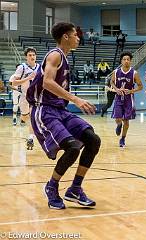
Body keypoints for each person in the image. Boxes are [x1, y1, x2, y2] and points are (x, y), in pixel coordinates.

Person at [26, 22, 101, 210]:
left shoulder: (66, 58)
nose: (78, 37)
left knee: (92, 140)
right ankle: (52, 187)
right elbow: (47, 82)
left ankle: (75, 189)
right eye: (75, 34)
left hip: (60, 110)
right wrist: (76, 99)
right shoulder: (55, 55)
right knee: (73, 147)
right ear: (65, 37)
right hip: (44, 110)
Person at [9, 47, 40, 149]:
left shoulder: (40, 67)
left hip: (35, 97)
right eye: (30, 55)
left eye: (33, 55)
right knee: (25, 117)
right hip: (24, 96)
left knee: (32, 117)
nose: (32, 57)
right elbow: (13, 82)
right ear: (26, 57)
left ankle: (31, 138)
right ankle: (22, 119)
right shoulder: (22, 67)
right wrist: (28, 78)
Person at [111, 52, 143, 147]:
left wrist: (132, 91)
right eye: (124, 59)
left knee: (126, 121)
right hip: (118, 98)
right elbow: (111, 82)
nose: (126, 61)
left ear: (130, 61)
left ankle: (123, 139)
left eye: (128, 59)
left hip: (129, 99)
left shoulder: (134, 73)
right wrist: (116, 89)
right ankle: (118, 125)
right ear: (121, 61)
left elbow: (140, 86)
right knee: (118, 118)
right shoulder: (116, 72)